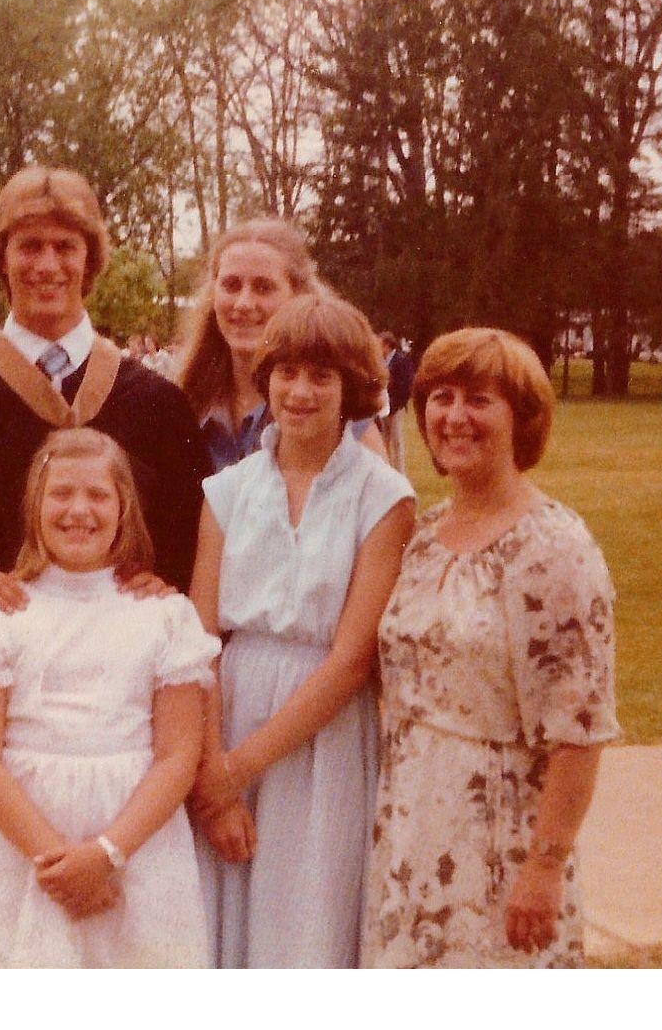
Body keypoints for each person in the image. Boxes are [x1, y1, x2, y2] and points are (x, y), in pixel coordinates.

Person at [0, 164, 210, 967]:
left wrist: (160, 583)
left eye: (66, 246)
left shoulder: (152, 406)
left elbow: (189, 551)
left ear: (90, 261)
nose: (47, 264)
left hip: (115, 731)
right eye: (28, 246)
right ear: (1, 258)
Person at [362, 327, 620, 968]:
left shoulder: (554, 549)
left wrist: (545, 864)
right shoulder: (422, 537)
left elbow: (580, 730)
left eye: (479, 399)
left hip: (500, 843)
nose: (454, 417)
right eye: (440, 398)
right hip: (409, 826)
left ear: (523, 417)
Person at [0, 428, 218, 967]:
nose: (78, 510)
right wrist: (58, 864)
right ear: (35, 504)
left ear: (123, 506)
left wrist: (106, 855)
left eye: (98, 495)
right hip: (18, 850)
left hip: (134, 850)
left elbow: (178, 754)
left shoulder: (164, 617)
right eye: (61, 493)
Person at [188, 294, 415, 967]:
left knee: (308, 924)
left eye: (321, 375)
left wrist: (241, 767)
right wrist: (212, 774)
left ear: (352, 388)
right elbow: (198, 643)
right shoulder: (227, 490)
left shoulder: (383, 496)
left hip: (322, 734)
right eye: (285, 372)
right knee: (218, 928)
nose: (299, 390)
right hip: (224, 713)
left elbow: (350, 660)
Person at [177, 216, 386, 473]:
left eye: (263, 288)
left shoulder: (339, 413)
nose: (243, 303)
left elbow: (385, 505)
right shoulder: (185, 404)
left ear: (299, 296)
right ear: (213, 294)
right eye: (231, 285)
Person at [378, 330, 415, 473]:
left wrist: (394, 407)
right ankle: (386, 470)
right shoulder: (381, 361)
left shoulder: (400, 360)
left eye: (380, 344)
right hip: (382, 406)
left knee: (396, 441)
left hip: (395, 407)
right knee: (384, 440)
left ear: (387, 345)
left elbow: (405, 386)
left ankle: (400, 472)